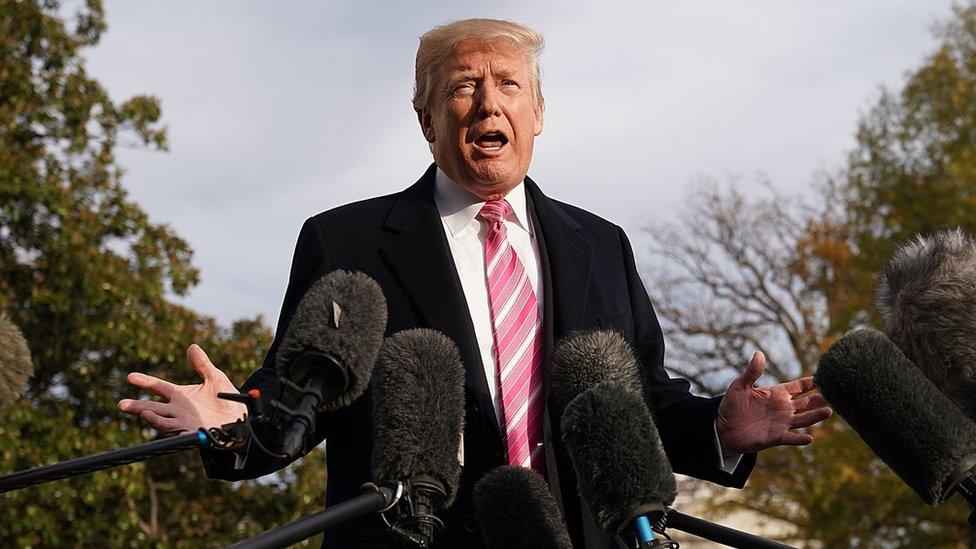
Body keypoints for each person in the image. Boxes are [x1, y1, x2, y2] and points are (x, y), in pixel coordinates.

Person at [117, 18, 831, 548]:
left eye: (510, 85)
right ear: (428, 119)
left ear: (537, 113)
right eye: (464, 86)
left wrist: (719, 428)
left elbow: (636, 405)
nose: (490, 104)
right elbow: (302, 396)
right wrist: (232, 427)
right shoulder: (348, 242)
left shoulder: (600, 245)